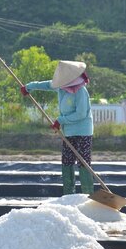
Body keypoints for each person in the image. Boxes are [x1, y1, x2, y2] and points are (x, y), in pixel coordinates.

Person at [21, 60, 94, 195]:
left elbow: (81, 114)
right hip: (68, 131)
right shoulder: (62, 86)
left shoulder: (80, 91)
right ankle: (68, 194)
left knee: (83, 162)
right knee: (67, 161)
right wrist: (28, 87)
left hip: (83, 131)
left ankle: (88, 194)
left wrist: (61, 120)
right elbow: (47, 85)